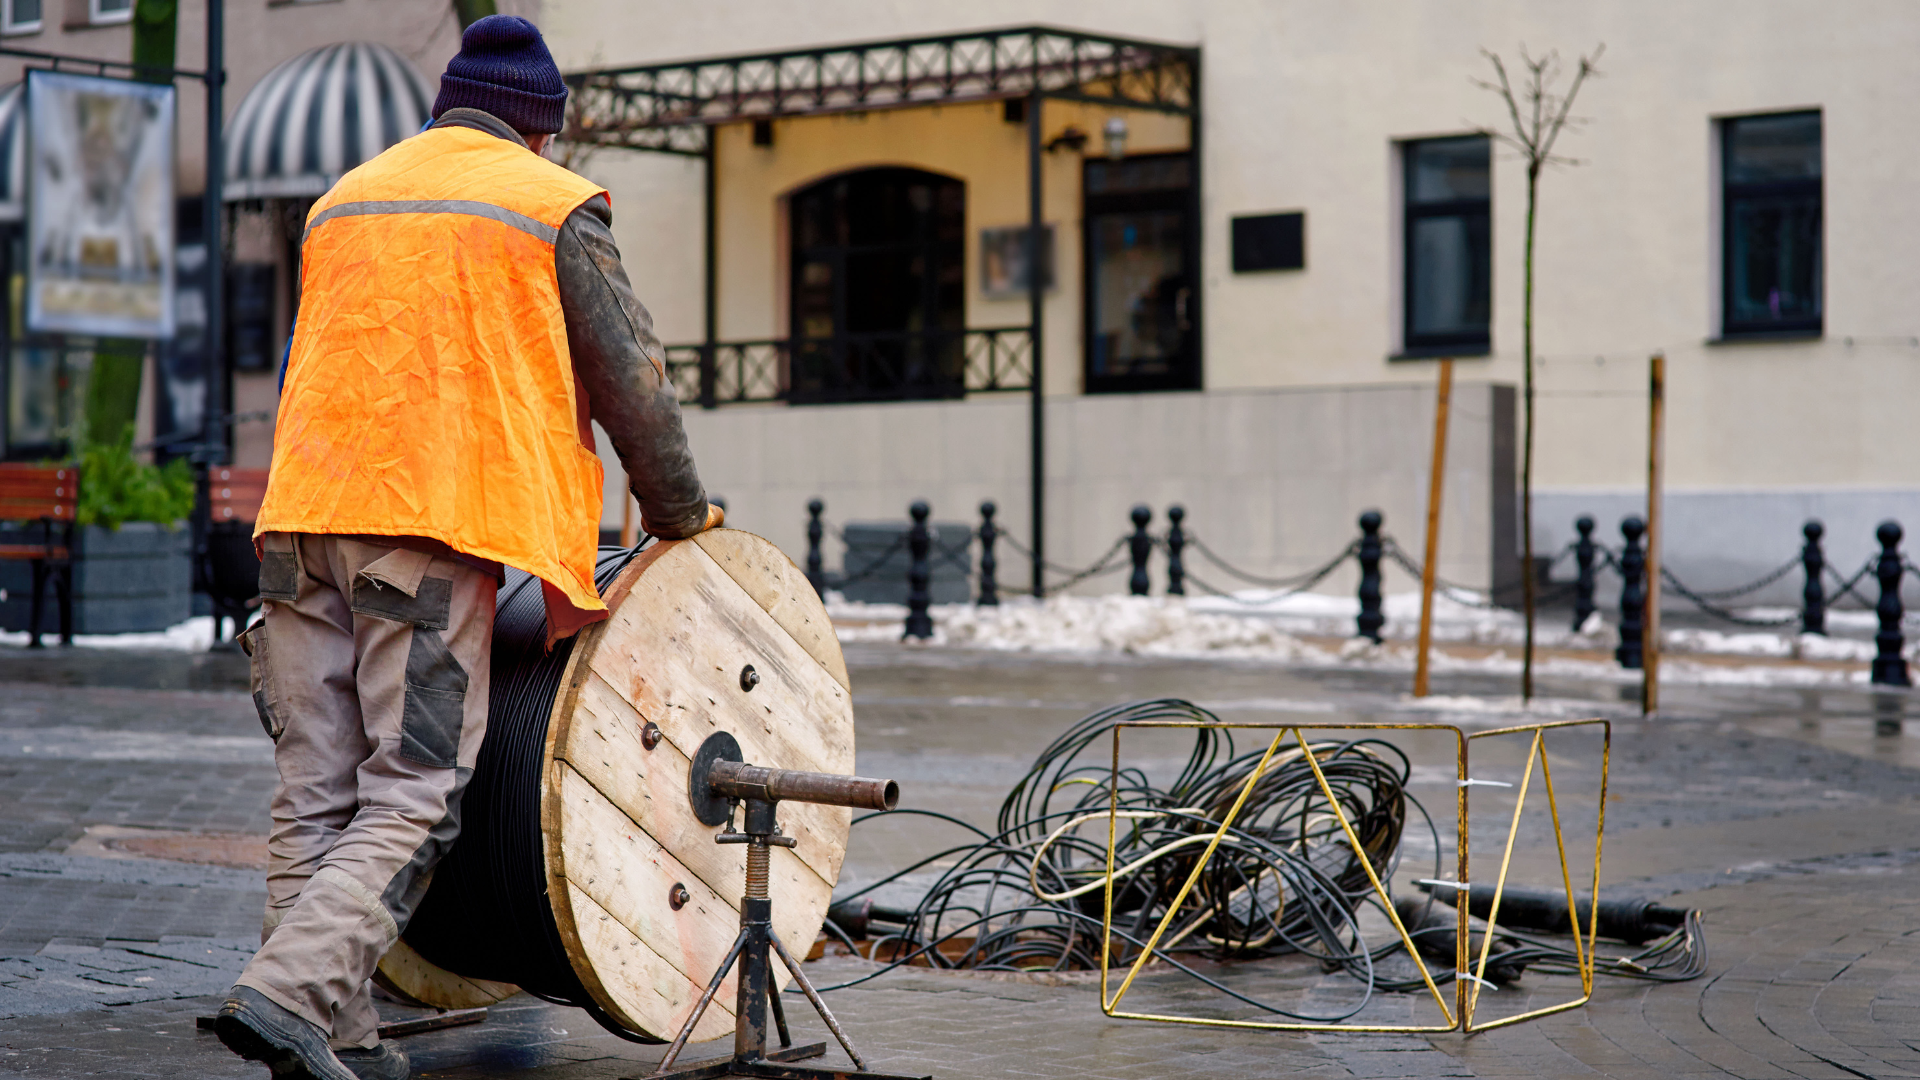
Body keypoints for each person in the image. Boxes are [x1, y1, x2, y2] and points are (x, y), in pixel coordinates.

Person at [211, 16, 715, 1080]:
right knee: (414, 789)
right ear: (540, 130)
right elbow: (635, 384)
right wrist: (678, 520)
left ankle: (332, 1037)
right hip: (426, 531)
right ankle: (287, 992)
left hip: (300, 520)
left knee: (317, 789)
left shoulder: (347, 197)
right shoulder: (547, 204)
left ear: (444, 108)